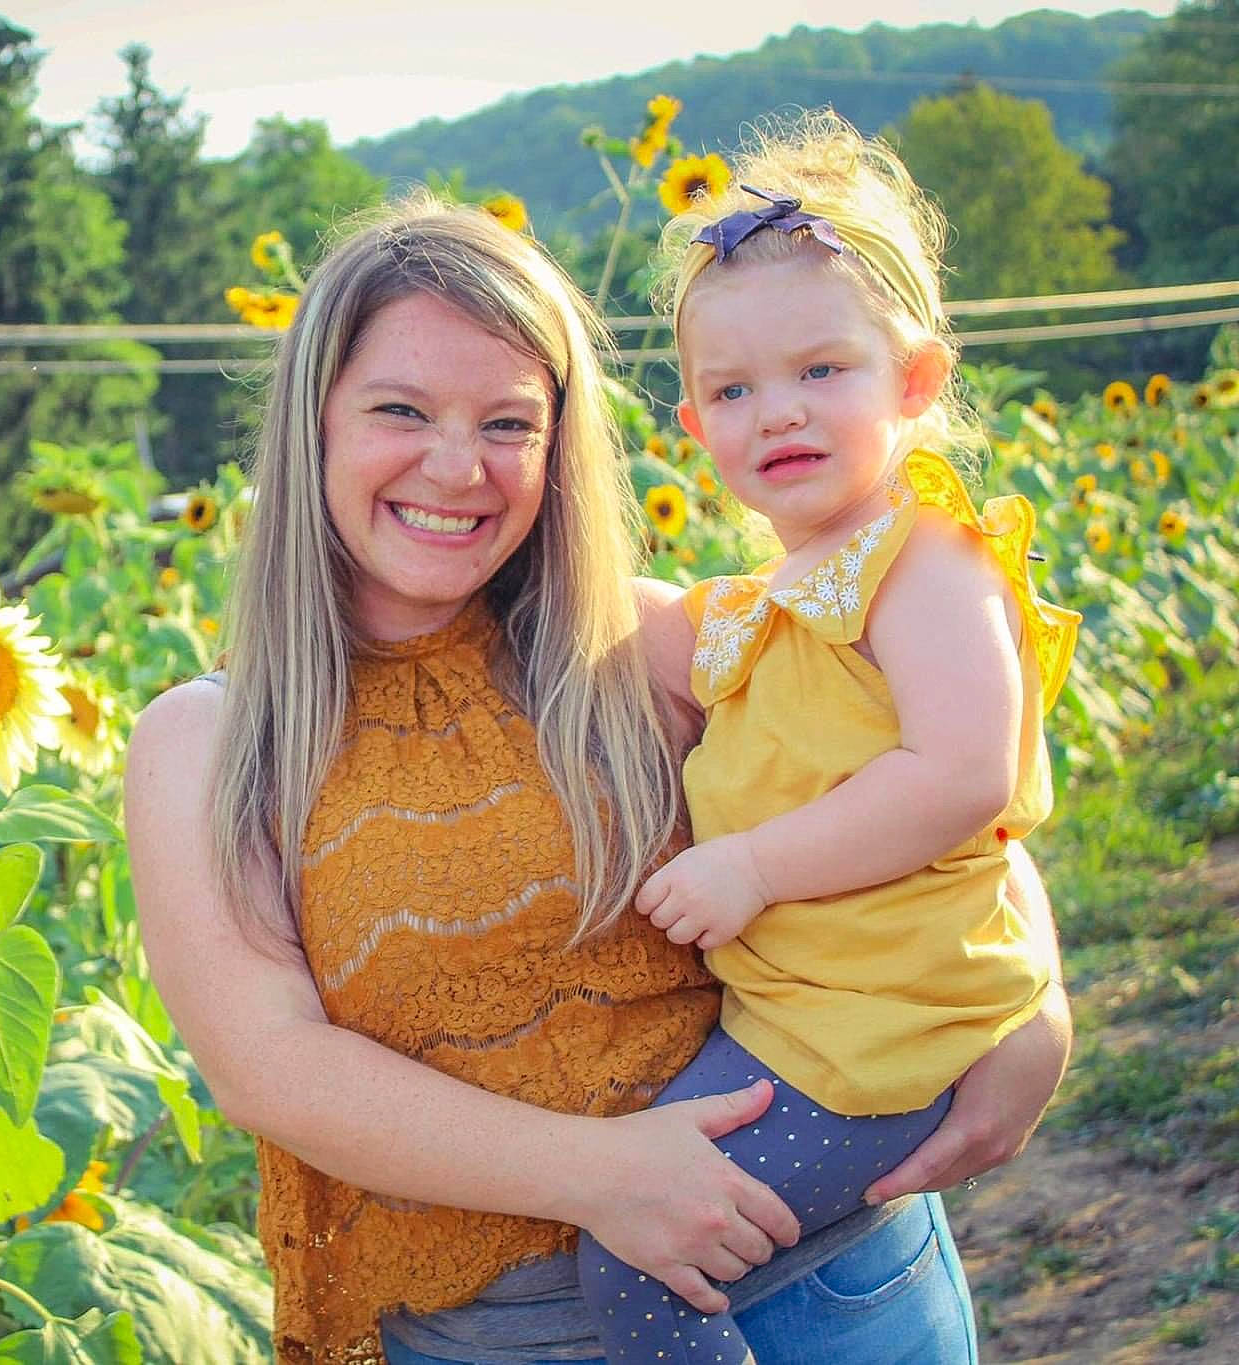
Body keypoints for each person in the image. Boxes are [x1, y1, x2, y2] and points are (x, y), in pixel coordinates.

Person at [122, 190, 1072, 1365]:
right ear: (311, 420)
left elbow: (935, 789)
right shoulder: (213, 741)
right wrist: (604, 1177)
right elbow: (269, 1066)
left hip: (824, 1289)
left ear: (557, 447)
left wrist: (1034, 1004)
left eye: (508, 423)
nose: (455, 467)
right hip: (499, 1339)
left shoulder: (654, 643)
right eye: (400, 409)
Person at [572, 114, 1080, 1365]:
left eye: (819, 370)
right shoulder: (779, 597)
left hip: (878, 1032)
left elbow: (960, 774)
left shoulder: (923, 560)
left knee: (636, 1259)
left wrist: (752, 866)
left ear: (913, 380)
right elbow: (637, 628)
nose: (776, 414)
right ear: (693, 426)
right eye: (733, 390)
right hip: (816, 1021)